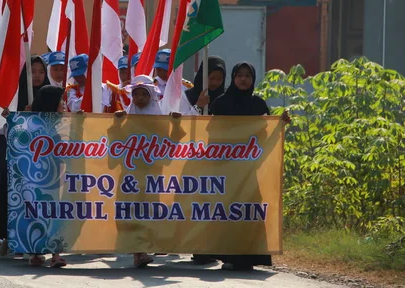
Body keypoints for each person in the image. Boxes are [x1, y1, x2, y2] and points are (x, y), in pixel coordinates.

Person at [192, 61, 290, 270]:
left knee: (249, 211)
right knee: (227, 211)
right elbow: (208, 133)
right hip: (225, 168)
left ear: (253, 79)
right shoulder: (220, 103)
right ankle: (229, 256)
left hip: (249, 169)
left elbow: (265, 135)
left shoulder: (259, 105)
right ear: (233, 78)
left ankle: (249, 257)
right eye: (239, 75)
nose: (243, 79)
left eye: (248, 76)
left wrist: (280, 123)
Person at [0, 55, 51, 252]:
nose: (37, 76)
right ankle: (8, 235)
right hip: (19, 157)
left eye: (41, 72)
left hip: (43, 159)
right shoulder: (17, 96)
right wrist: (17, 113)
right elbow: (5, 123)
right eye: (33, 72)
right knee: (15, 196)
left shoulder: (51, 95)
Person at [114, 75, 182, 267]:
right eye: (136, 94)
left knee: (150, 210)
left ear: (152, 96)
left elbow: (170, 146)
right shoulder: (126, 117)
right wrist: (117, 124)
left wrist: (176, 124)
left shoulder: (160, 121)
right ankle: (139, 251)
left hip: (152, 174)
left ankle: (151, 244)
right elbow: (116, 145)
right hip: (131, 175)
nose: (140, 98)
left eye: (145, 94)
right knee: (132, 211)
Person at [26, 85, 68, 268]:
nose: (64, 104)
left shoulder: (63, 123)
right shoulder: (32, 124)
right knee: (36, 215)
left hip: (56, 178)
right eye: (60, 101)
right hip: (35, 179)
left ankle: (56, 254)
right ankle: (35, 253)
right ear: (51, 103)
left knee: (55, 215)